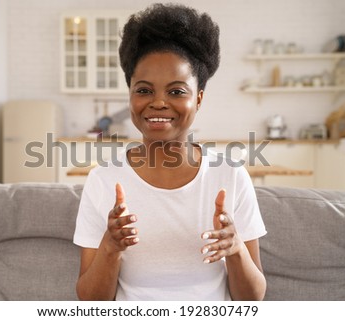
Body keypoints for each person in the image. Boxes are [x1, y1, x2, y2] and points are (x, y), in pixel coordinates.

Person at [73, 3, 267, 301]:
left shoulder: (230, 174)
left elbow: (252, 299)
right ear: (130, 95)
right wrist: (110, 247)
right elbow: (90, 302)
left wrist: (236, 249)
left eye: (176, 91)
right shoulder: (103, 179)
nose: (159, 102)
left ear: (198, 99)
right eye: (144, 90)